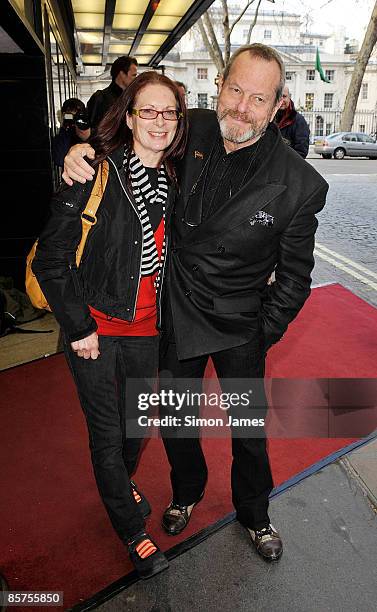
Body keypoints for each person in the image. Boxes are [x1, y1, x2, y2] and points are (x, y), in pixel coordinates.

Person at [62, 43, 328, 563]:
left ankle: (256, 514)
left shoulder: (300, 183)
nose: (241, 107)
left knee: (249, 432)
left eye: (257, 98)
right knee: (176, 420)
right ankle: (186, 493)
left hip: (239, 323)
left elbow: (295, 278)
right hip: (176, 313)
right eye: (234, 89)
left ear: (277, 106)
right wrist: (82, 150)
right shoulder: (194, 127)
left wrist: (259, 329)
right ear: (220, 85)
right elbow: (133, 138)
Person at [33, 71, 187, 579]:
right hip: (94, 329)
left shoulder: (174, 179)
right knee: (106, 433)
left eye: (169, 112)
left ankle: (122, 480)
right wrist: (78, 328)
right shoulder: (96, 171)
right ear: (129, 116)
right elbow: (50, 260)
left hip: (146, 331)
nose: (159, 122)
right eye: (148, 111)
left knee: (136, 426)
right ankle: (130, 529)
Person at [87, 56, 138, 129]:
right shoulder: (100, 98)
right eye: (134, 75)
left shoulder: (133, 98)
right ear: (122, 74)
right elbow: (92, 129)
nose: (135, 79)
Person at [52, 98, 91, 167]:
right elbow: (59, 160)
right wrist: (64, 127)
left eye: (76, 116)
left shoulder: (87, 131)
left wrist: (83, 128)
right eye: (69, 116)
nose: (72, 120)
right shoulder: (63, 135)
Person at [275, 85, 310, 158]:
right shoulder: (269, 119)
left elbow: (301, 151)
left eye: (284, 96)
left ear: (289, 97)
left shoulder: (299, 121)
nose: (281, 100)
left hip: (287, 167)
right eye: (278, 97)